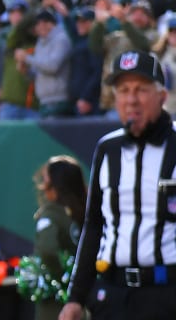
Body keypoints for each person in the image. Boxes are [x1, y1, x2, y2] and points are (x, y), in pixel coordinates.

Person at [61, 51, 176, 320]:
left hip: (166, 294)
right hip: (113, 295)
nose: (131, 99)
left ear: (162, 95)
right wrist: (76, 297)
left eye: (141, 89)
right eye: (123, 90)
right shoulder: (108, 149)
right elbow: (94, 225)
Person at [31, 156, 86, 320]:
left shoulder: (51, 214)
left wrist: (59, 278)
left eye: (46, 180)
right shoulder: (89, 210)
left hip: (57, 307)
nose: (42, 185)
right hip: (87, 301)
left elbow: (47, 250)